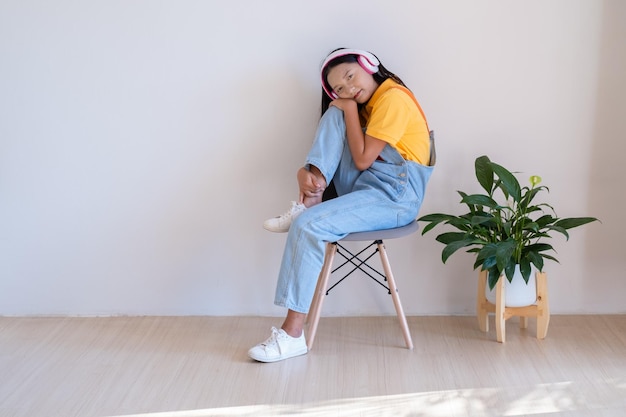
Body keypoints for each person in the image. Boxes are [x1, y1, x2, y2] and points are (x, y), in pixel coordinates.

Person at [249, 48, 434, 362]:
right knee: (334, 113)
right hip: (368, 186)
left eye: (351, 77)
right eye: (340, 89)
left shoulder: (393, 99)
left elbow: (361, 160)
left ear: (369, 64)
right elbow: (360, 159)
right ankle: (308, 199)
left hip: (395, 198)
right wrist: (304, 172)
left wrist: (348, 108)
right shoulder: (367, 103)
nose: (349, 90)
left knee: (308, 226)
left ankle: (292, 335)